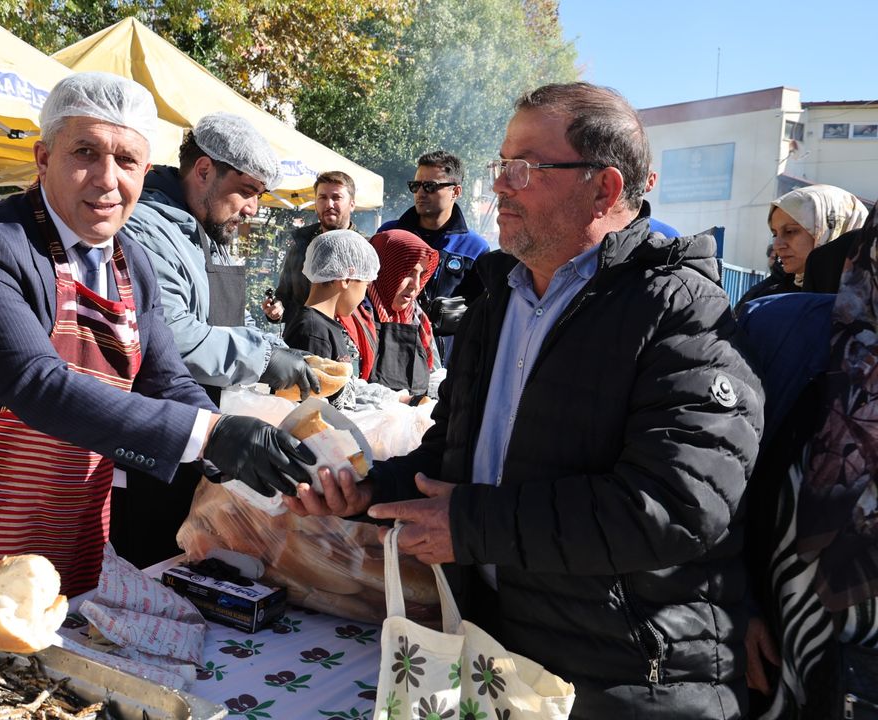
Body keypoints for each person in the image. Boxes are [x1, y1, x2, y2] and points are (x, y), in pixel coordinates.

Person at [288, 82, 762, 719]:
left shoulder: (678, 310)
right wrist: (374, 490)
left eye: (525, 168)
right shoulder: (500, 297)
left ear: (606, 187)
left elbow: (677, 505)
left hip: (624, 677)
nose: (501, 186)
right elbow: (453, 455)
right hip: (496, 655)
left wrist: (470, 526)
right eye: (501, 166)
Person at [0, 73, 314, 597]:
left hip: (68, 530)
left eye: (126, 160)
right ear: (43, 158)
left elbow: (167, 381)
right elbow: (37, 384)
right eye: (85, 152)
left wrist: (224, 441)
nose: (107, 180)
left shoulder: (135, 265)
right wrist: (208, 435)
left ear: (145, 171)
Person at [112, 112, 320, 566]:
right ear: (204, 170)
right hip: (152, 448)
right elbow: (171, 337)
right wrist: (264, 357)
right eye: (246, 191)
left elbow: (222, 323)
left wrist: (273, 347)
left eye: (259, 196)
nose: (253, 209)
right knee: (149, 566)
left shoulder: (211, 232)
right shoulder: (145, 229)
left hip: (204, 437)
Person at [739, 210, 878, 719]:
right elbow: (718, 484)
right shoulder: (781, 329)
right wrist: (738, 607)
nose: (779, 245)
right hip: (775, 659)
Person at [378, 150, 489, 361]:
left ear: (456, 191)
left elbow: (480, 318)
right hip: (388, 347)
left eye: (430, 186)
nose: (420, 193)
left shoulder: (475, 248)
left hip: (443, 359)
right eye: (416, 185)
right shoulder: (389, 235)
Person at [735, 184, 868, 313]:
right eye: (775, 234)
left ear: (830, 229)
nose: (777, 245)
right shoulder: (764, 299)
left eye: (790, 231)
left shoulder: (867, 304)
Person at [282, 229, 380, 385]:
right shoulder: (314, 331)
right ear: (346, 278)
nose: (363, 297)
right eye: (365, 285)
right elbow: (313, 401)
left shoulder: (322, 325)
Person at [265, 171, 359, 327]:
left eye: (336, 198)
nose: (329, 204)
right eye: (322, 197)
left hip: (346, 343)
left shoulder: (364, 250)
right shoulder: (301, 246)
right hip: (302, 339)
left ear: (352, 204)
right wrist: (277, 310)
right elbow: (284, 295)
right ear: (315, 203)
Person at [361, 229, 440, 397]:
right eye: (409, 272)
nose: (416, 285)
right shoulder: (356, 316)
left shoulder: (419, 320)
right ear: (385, 268)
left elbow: (434, 374)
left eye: (422, 274)